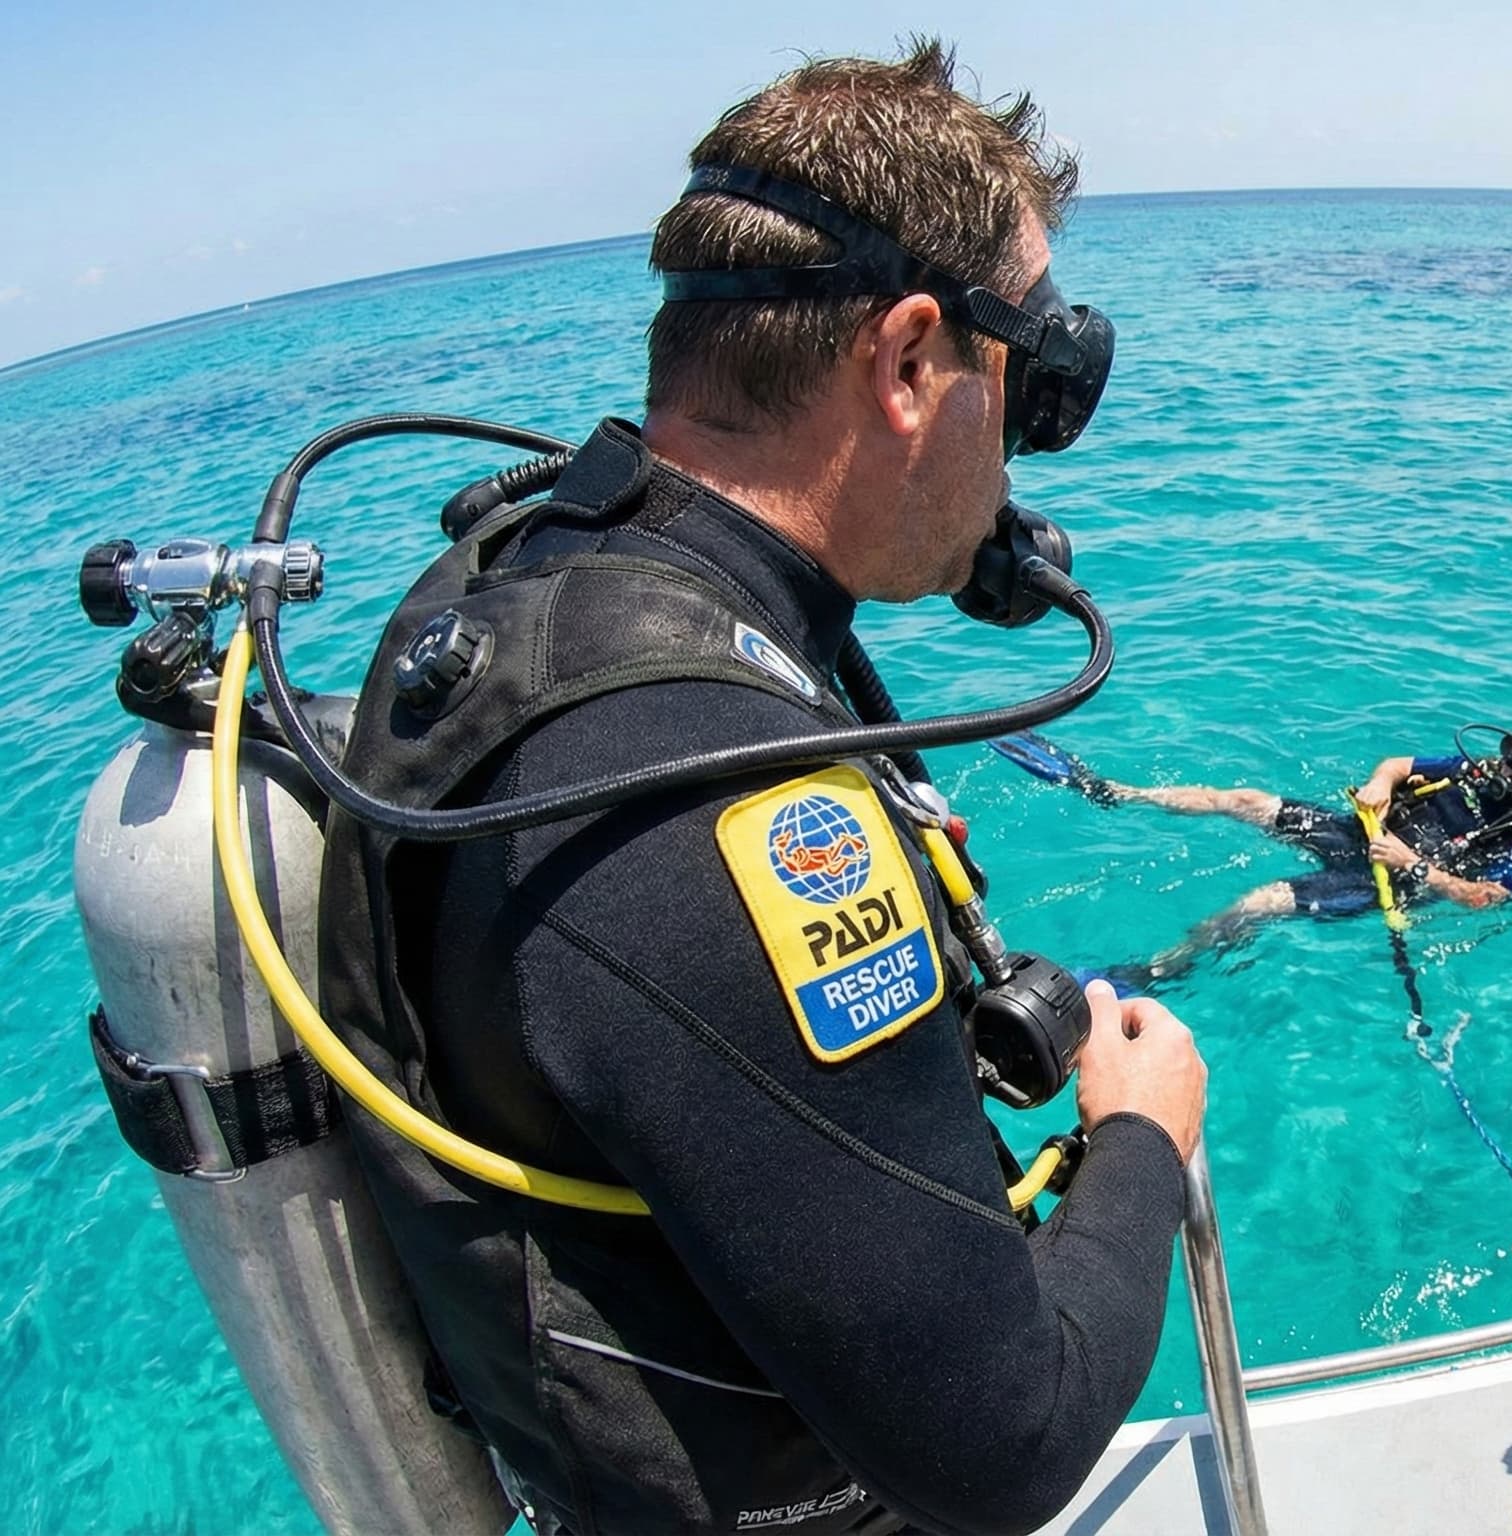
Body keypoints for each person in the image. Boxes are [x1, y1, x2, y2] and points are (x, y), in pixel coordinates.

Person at [313, 43, 1208, 1536]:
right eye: (1030, 375)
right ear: (913, 362)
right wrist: (1138, 1140)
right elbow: (1003, 1445)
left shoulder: (547, 577)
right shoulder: (700, 799)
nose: (1030, 449)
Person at [998, 719, 1512, 987]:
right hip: (1362, 832)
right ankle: (1113, 792)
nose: (1511, 767)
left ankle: (1154, 971)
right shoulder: (1470, 768)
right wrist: (1382, 785)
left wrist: (1414, 866)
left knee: (1257, 904)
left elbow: (1488, 897)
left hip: (1392, 877)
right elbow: (1400, 765)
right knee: (1243, 800)